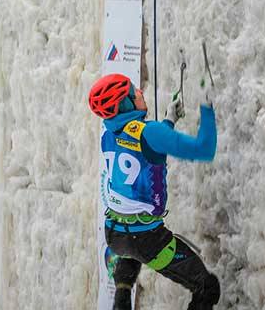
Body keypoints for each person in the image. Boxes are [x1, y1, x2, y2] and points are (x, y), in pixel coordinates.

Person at [88, 73, 220, 309]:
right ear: (126, 103)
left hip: (115, 235)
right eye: (134, 90)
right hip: (148, 240)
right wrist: (207, 106)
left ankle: (122, 291)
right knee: (207, 287)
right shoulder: (150, 133)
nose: (140, 91)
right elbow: (204, 149)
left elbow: (144, 146)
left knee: (128, 261)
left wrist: (168, 121)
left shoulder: (108, 136)